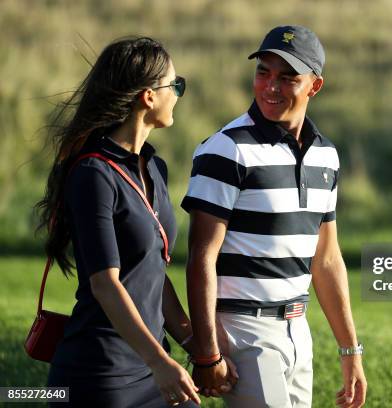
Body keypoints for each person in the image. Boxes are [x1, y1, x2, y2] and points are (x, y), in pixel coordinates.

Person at [182, 25, 367, 407]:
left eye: (288, 78)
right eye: (263, 72)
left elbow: (328, 259)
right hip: (244, 330)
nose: (271, 87)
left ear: (315, 86)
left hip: (299, 330)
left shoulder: (325, 156)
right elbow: (202, 257)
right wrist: (207, 352)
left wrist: (350, 352)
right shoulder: (226, 150)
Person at [37, 36, 200, 407]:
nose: (178, 93)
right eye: (175, 85)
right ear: (148, 96)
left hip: (151, 362)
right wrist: (161, 362)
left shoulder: (155, 167)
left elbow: (153, 273)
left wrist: (196, 347)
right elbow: (105, 285)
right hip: (101, 375)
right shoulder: (94, 173)